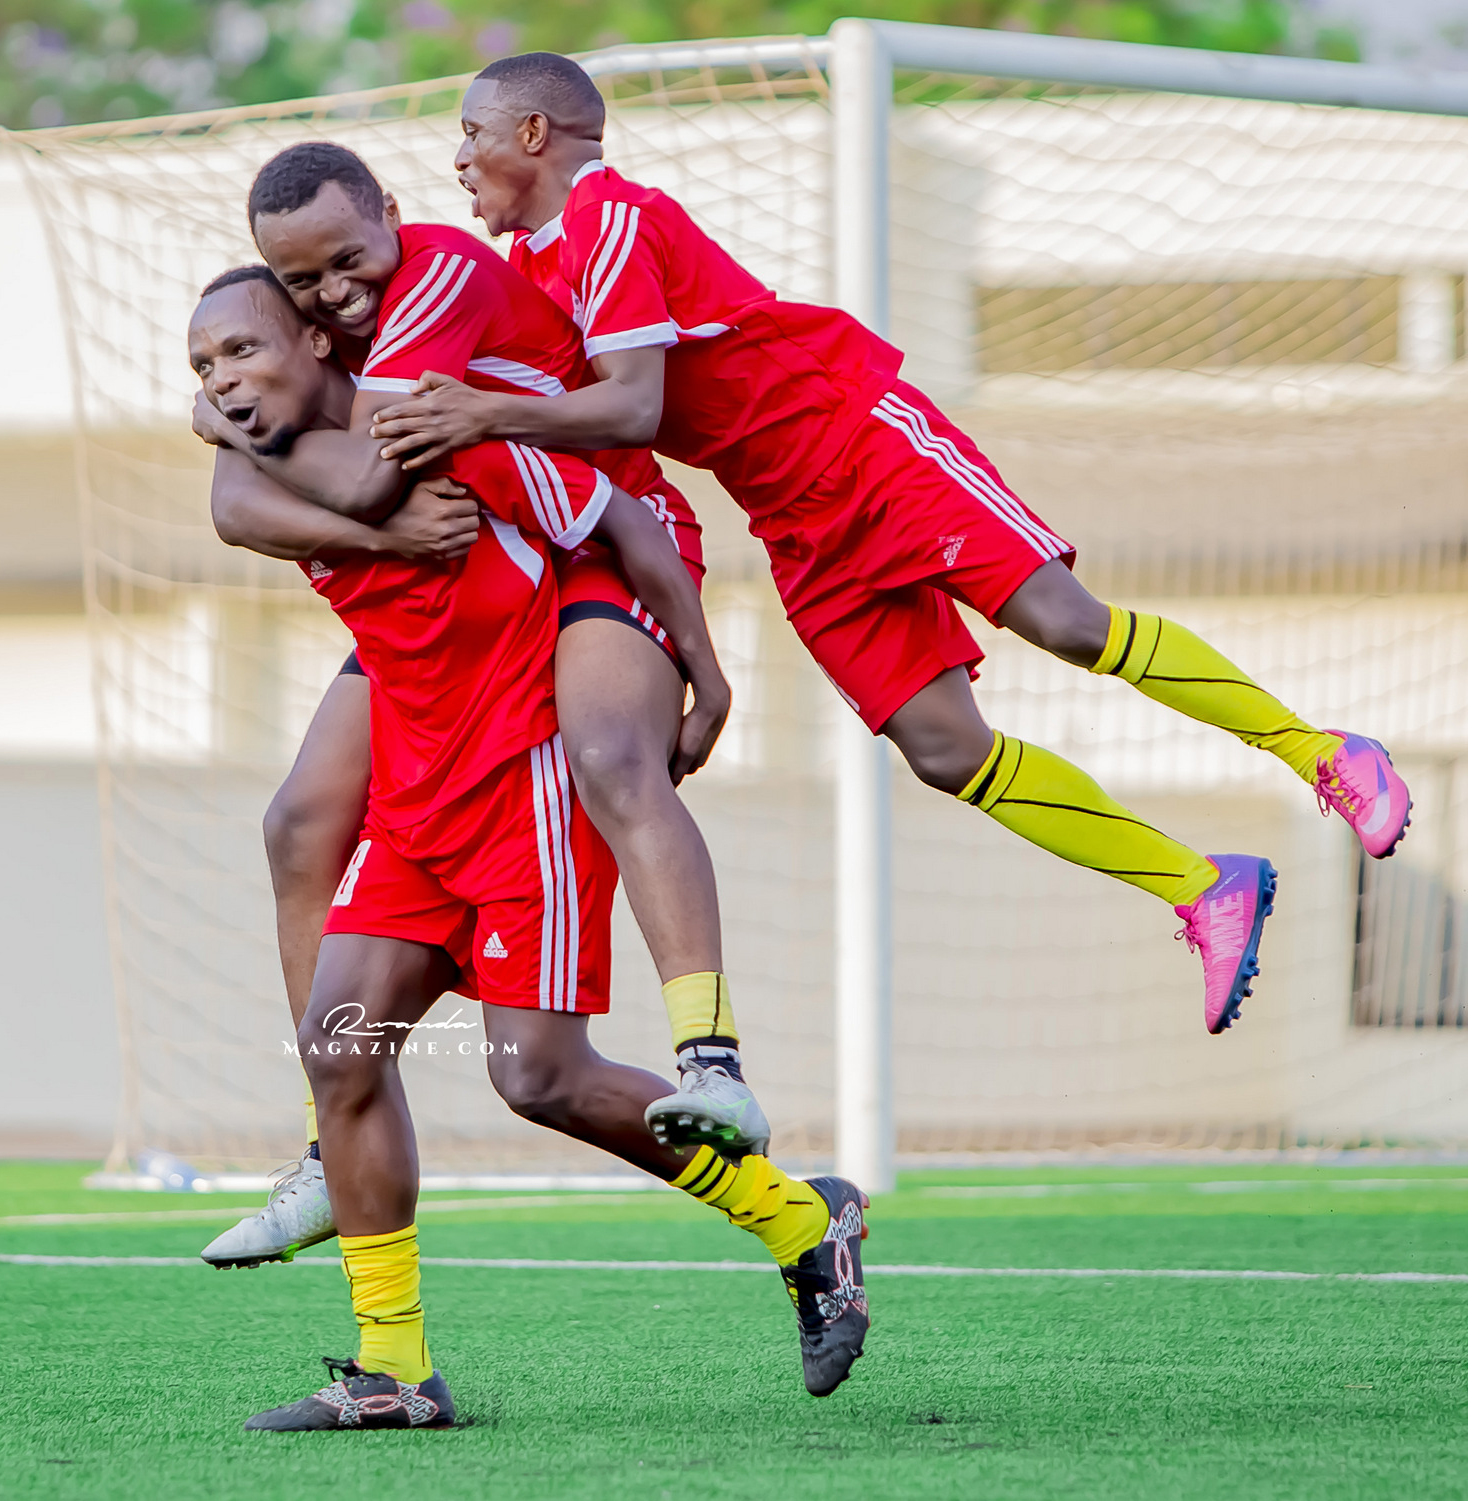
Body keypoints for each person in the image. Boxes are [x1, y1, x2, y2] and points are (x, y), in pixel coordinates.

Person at [367, 51, 1413, 1039]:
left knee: (1063, 622)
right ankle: (1202, 887)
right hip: (791, 519)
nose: (457, 159)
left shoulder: (610, 215)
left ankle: (1322, 753)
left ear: (533, 133)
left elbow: (632, 407)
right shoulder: (529, 267)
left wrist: (478, 414)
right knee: (944, 749)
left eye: (471, 133)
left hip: (859, 443)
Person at [187, 267, 872, 1429]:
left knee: (536, 1079)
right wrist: (362, 513)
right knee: (339, 1048)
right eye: (203, 367)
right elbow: (238, 501)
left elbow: (621, 520)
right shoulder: (258, 470)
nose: (222, 381)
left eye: (243, 351)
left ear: (320, 340)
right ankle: (393, 1372)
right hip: (412, 811)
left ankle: (802, 1220)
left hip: (523, 797)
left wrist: (705, 673)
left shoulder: (444, 435)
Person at [199, 141, 774, 1273]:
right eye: (303, 281)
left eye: (347, 261)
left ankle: (712, 1061)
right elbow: (239, 504)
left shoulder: (439, 317)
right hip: (459, 648)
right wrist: (246, 430)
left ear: (389, 215)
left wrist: (707, 672)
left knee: (608, 760)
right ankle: (329, 1153)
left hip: (593, 553)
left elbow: (386, 476)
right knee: (299, 823)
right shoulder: (294, 375)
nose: (333, 292)